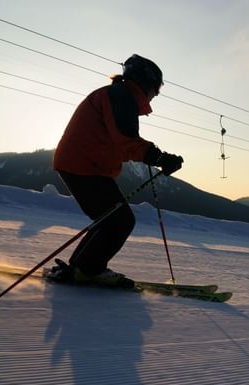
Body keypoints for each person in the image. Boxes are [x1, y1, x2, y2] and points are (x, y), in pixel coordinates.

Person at [51, 54, 183, 287]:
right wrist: (158, 157)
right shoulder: (121, 97)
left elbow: (119, 143)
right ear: (145, 81)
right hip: (84, 166)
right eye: (156, 89)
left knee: (111, 219)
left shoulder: (117, 94)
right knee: (119, 221)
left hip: (85, 164)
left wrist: (153, 156)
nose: (156, 95)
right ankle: (88, 270)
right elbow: (125, 139)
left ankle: (82, 268)